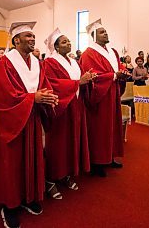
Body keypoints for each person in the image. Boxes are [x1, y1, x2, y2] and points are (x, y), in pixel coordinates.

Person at [0, 21, 58, 228]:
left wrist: (48, 97)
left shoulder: (37, 63)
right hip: (12, 122)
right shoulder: (3, 63)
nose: (32, 39)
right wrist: (32, 99)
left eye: (33, 36)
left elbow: (43, 85)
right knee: (12, 163)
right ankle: (9, 206)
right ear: (16, 40)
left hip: (32, 119)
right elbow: (3, 97)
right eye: (27, 36)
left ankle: (29, 197)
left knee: (33, 159)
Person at [43, 28, 95, 200]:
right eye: (63, 42)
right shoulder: (50, 62)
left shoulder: (73, 62)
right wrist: (78, 82)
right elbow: (52, 84)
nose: (68, 43)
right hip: (62, 108)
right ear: (56, 47)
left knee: (72, 140)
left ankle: (65, 173)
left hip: (76, 105)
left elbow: (80, 80)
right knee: (58, 143)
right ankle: (50, 179)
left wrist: (88, 79)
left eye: (68, 41)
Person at [79, 19, 128, 177]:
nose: (105, 33)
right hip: (100, 95)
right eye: (101, 32)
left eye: (105, 31)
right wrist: (114, 75)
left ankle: (110, 156)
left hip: (112, 92)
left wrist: (123, 72)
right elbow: (93, 76)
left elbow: (118, 66)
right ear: (94, 36)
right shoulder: (88, 53)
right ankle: (96, 161)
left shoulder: (112, 51)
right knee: (99, 128)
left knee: (113, 125)